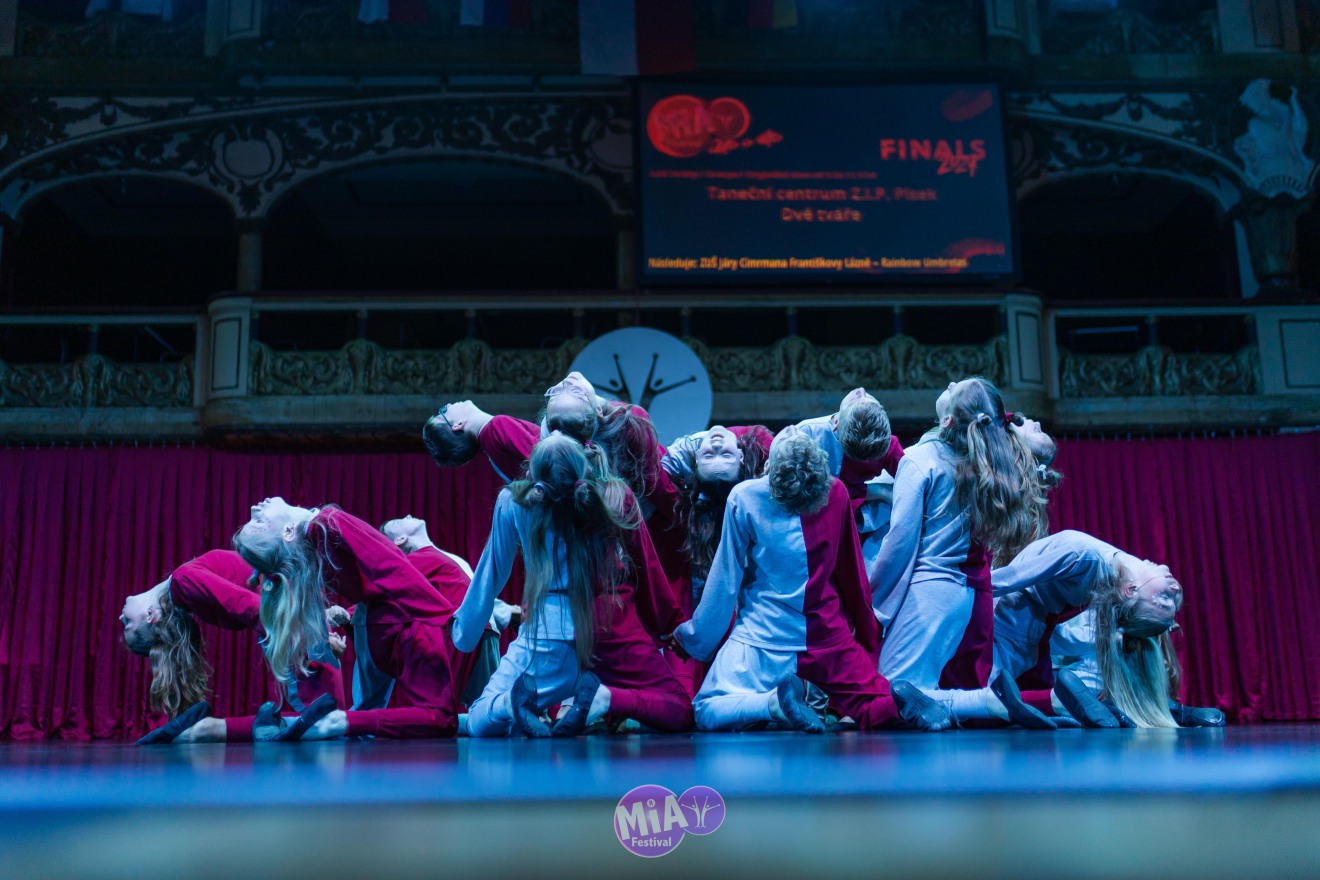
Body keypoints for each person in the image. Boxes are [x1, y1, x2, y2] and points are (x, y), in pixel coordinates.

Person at [668, 426, 951, 734]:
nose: (790, 429)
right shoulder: (836, 491)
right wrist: (868, 633)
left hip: (764, 635)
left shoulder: (745, 496)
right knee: (871, 705)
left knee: (706, 708)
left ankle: (772, 705)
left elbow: (724, 584)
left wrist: (692, 638)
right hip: (826, 635)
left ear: (768, 470)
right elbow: (851, 573)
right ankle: (901, 705)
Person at [154, 499, 472, 742]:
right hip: (406, 624)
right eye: (259, 519)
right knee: (443, 719)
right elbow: (391, 568)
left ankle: (217, 729)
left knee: (419, 719)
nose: (254, 507)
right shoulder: (328, 523)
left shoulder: (315, 546)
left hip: (380, 630)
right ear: (288, 532)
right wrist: (447, 618)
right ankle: (340, 721)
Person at [457, 433, 693, 737]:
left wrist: (463, 635)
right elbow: (647, 569)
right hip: (610, 629)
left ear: (531, 474)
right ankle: (607, 699)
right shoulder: (616, 495)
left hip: (547, 635)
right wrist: (671, 626)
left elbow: (490, 576)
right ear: (585, 467)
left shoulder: (513, 501)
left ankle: (508, 705)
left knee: (478, 717)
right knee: (679, 708)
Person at [870, 377, 1048, 725]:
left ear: (949, 419)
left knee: (890, 697)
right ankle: (996, 702)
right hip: (968, 597)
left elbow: (900, 545)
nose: (949, 383)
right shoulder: (982, 461)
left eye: (953, 389)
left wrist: (874, 605)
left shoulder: (921, 459)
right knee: (932, 691)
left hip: (931, 594)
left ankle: (991, 703)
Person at [989, 530, 1224, 728]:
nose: (1175, 588)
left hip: (1016, 633)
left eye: (1165, 598)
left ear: (1131, 590)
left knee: (994, 702)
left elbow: (1000, 582)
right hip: (1019, 630)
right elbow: (1005, 582)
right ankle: (1114, 706)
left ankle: (1134, 706)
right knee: (1002, 702)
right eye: (1172, 596)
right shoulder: (1096, 561)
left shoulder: (1092, 561)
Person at [123, 549, 347, 744]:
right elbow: (251, 608)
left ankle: (208, 729)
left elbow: (254, 603)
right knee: (330, 722)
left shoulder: (182, 585)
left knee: (330, 722)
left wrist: (312, 630)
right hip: (291, 626)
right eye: (128, 624)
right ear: (150, 617)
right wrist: (311, 638)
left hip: (291, 620)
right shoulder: (183, 583)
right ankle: (208, 730)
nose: (121, 618)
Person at [659, 424, 775, 697]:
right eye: (712, 455)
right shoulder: (758, 448)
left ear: (742, 458)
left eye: (722, 454)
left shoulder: (682, 457)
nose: (718, 444)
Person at [380, 515, 520, 707]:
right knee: (481, 703)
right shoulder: (419, 561)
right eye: (397, 522)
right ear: (400, 539)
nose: (408, 515)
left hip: (483, 629)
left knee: (484, 702)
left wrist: (508, 611)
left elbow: (476, 591)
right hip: (467, 632)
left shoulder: (445, 558)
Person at [796, 388, 904, 501]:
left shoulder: (881, 443)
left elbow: (910, 481)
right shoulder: (805, 435)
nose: (861, 391)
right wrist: (876, 491)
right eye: (852, 402)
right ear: (836, 422)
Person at [423, 400, 540, 483]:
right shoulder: (496, 427)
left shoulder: (491, 447)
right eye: (443, 412)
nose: (448, 405)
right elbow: (546, 458)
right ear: (458, 424)